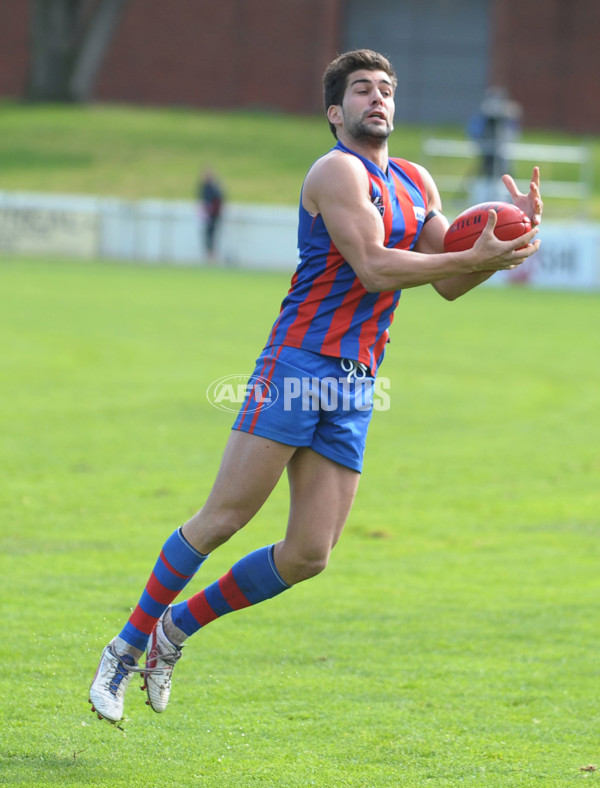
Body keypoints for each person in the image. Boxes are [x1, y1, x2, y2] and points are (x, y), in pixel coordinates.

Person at [89, 49, 543, 725]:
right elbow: (374, 267)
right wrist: (473, 255)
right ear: (336, 112)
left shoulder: (418, 183)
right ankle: (123, 649)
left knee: (309, 554)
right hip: (300, 363)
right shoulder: (336, 171)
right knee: (224, 517)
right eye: (362, 90)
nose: (378, 98)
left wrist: (509, 244)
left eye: (387, 89)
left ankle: (173, 631)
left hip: (357, 381)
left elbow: (448, 279)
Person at [197, 168, 224, 260]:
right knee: (209, 234)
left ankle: (210, 255)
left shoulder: (211, 187)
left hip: (211, 214)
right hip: (209, 214)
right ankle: (209, 254)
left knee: (210, 234)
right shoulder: (208, 187)